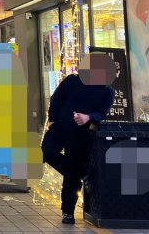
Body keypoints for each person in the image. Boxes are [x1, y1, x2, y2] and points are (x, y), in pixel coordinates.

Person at [42, 65, 114, 225]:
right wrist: (52, 119)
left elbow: (102, 113)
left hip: (81, 134)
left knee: (71, 176)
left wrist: (88, 117)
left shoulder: (108, 92)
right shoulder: (72, 81)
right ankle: (82, 173)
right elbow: (56, 98)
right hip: (59, 126)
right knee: (46, 152)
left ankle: (68, 212)